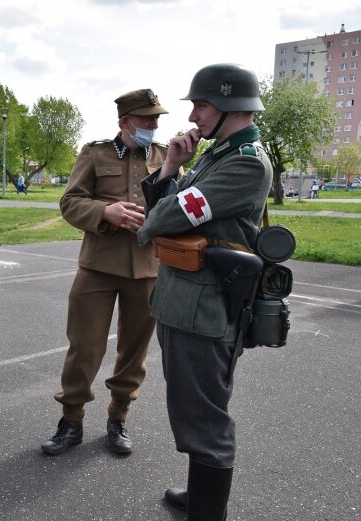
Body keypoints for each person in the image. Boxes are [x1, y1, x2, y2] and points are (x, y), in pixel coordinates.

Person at [137, 64, 272, 520]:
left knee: (206, 417)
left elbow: (163, 218)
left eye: (200, 104)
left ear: (228, 106)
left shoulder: (245, 163)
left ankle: (207, 513)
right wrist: (172, 167)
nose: (193, 115)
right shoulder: (217, 155)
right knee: (192, 407)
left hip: (206, 309)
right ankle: (201, 496)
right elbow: (170, 208)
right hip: (185, 303)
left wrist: (158, 215)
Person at [41, 89, 170, 457]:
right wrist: (104, 212)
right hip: (98, 266)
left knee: (134, 351)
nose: (154, 124)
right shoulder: (94, 153)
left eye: (156, 118)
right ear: (125, 121)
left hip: (148, 267)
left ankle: (119, 417)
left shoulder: (163, 156)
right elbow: (69, 202)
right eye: (147, 118)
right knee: (84, 346)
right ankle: (72, 420)